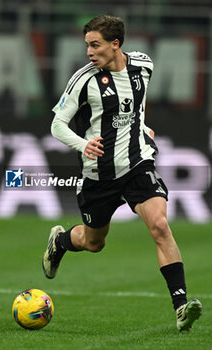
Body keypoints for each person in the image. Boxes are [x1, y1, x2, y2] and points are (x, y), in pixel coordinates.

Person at [42, 15, 202, 331]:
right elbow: (57, 124)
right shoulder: (83, 80)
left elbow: (134, 106)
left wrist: (141, 128)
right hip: (97, 175)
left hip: (137, 164)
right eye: (87, 44)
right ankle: (61, 242)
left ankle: (181, 306)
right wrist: (83, 143)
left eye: (95, 44)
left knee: (159, 225)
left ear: (115, 44)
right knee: (94, 243)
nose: (88, 51)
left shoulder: (144, 66)